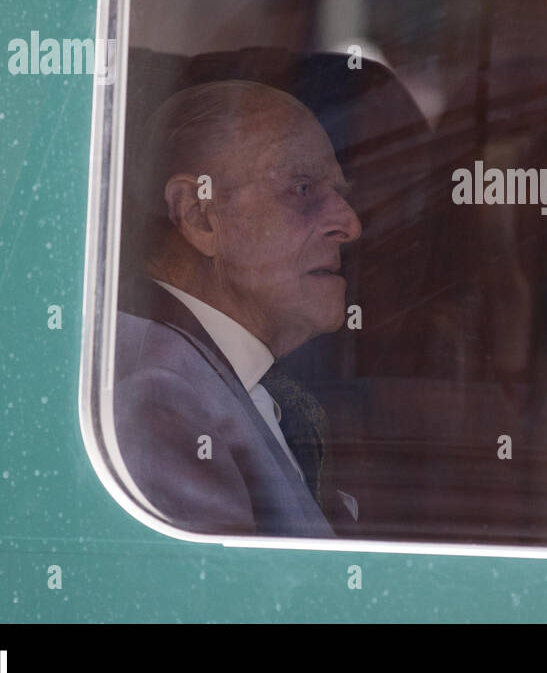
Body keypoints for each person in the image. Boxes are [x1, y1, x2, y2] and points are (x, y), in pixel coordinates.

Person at [111, 79, 362, 537]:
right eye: (303, 189)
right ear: (198, 214)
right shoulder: (161, 393)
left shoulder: (207, 374)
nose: (350, 223)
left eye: (340, 193)